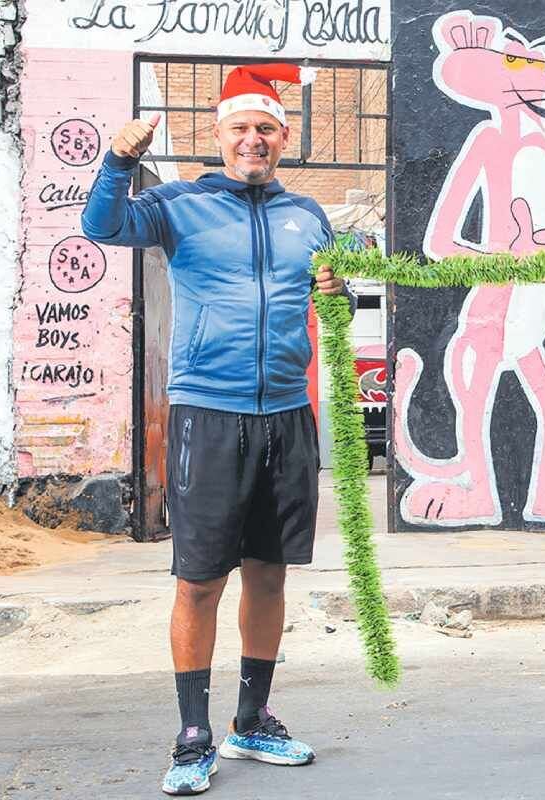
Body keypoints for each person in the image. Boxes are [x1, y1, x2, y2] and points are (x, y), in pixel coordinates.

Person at [81, 64, 354, 795]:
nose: (253, 139)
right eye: (240, 128)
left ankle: (253, 719)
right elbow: (101, 226)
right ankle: (192, 734)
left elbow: (331, 305)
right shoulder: (177, 206)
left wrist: (339, 293)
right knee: (200, 580)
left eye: (266, 128)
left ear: (283, 137)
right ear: (219, 134)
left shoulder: (309, 217)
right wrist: (118, 161)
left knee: (268, 573)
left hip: (287, 417)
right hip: (208, 412)